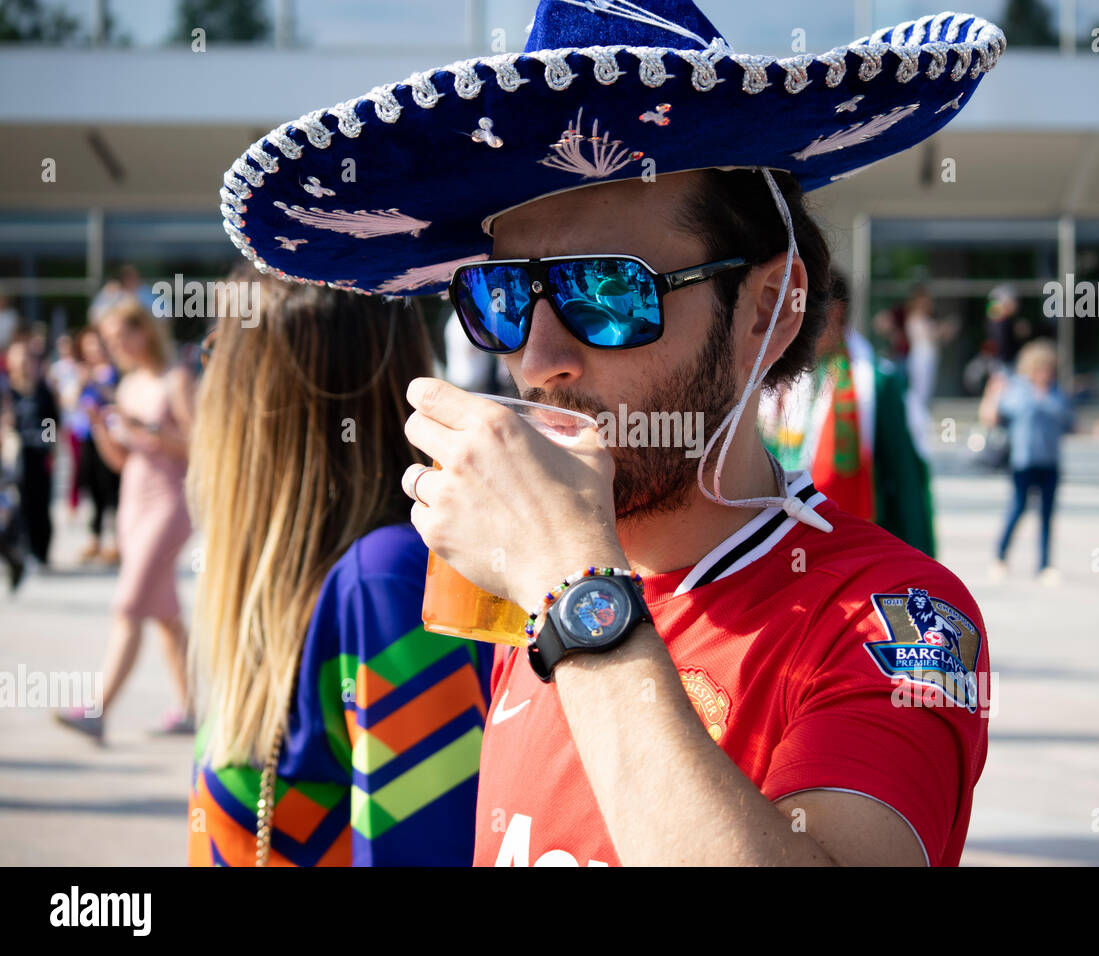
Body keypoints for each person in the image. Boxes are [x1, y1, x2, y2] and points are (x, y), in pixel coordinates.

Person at [224, 0, 1005, 865]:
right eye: (504, 296)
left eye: (606, 292)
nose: (539, 355)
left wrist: (577, 594)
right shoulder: (531, 600)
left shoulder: (893, 621)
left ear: (767, 308)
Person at [184, 265, 492, 866]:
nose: (203, 369)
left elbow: (427, 855)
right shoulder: (304, 590)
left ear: (264, 401)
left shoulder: (388, 580)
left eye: (217, 348)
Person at [55, 302, 194, 742]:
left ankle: (96, 711)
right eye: (110, 340)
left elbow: (200, 446)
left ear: (145, 331)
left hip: (171, 504)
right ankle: (193, 709)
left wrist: (150, 431)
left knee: (129, 604)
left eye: (121, 336)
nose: (116, 346)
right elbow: (121, 460)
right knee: (165, 616)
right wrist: (100, 427)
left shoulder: (177, 380)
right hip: (134, 501)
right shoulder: (129, 384)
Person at [759, 269, 936, 554]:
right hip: (784, 544)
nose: (789, 326)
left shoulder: (877, 384)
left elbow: (905, 481)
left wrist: (918, 561)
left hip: (856, 547)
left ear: (834, 314)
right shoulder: (780, 380)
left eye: (799, 313)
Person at [981, 338, 1073, 584]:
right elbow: (993, 417)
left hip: (1050, 461)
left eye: (1049, 368)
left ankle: (1044, 565)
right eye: (1041, 368)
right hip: (1023, 461)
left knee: (1046, 515)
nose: (1046, 373)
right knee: (1017, 509)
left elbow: (1068, 420)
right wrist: (992, 392)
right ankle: (1000, 557)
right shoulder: (1016, 390)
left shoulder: (1056, 392)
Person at [3, 335, 58, 568]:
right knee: (17, 504)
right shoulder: (7, 392)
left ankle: (41, 552)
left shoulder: (44, 390)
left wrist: (50, 448)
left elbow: (52, 423)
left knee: (41, 504)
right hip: (13, 456)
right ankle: (19, 551)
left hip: (39, 454)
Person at [72, 325, 121, 564]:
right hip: (87, 437)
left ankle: (117, 541)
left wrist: (97, 383)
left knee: (112, 489)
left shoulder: (115, 371)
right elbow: (70, 402)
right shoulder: (83, 372)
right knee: (91, 488)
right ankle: (95, 537)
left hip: (110, 437)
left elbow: (119, 397)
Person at [46, 333, 85, 513]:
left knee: (75, 461)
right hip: (55, 420)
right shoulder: (55, 369)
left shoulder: (79, 368)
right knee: (52, 457)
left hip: (75, 420)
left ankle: (74, 501)